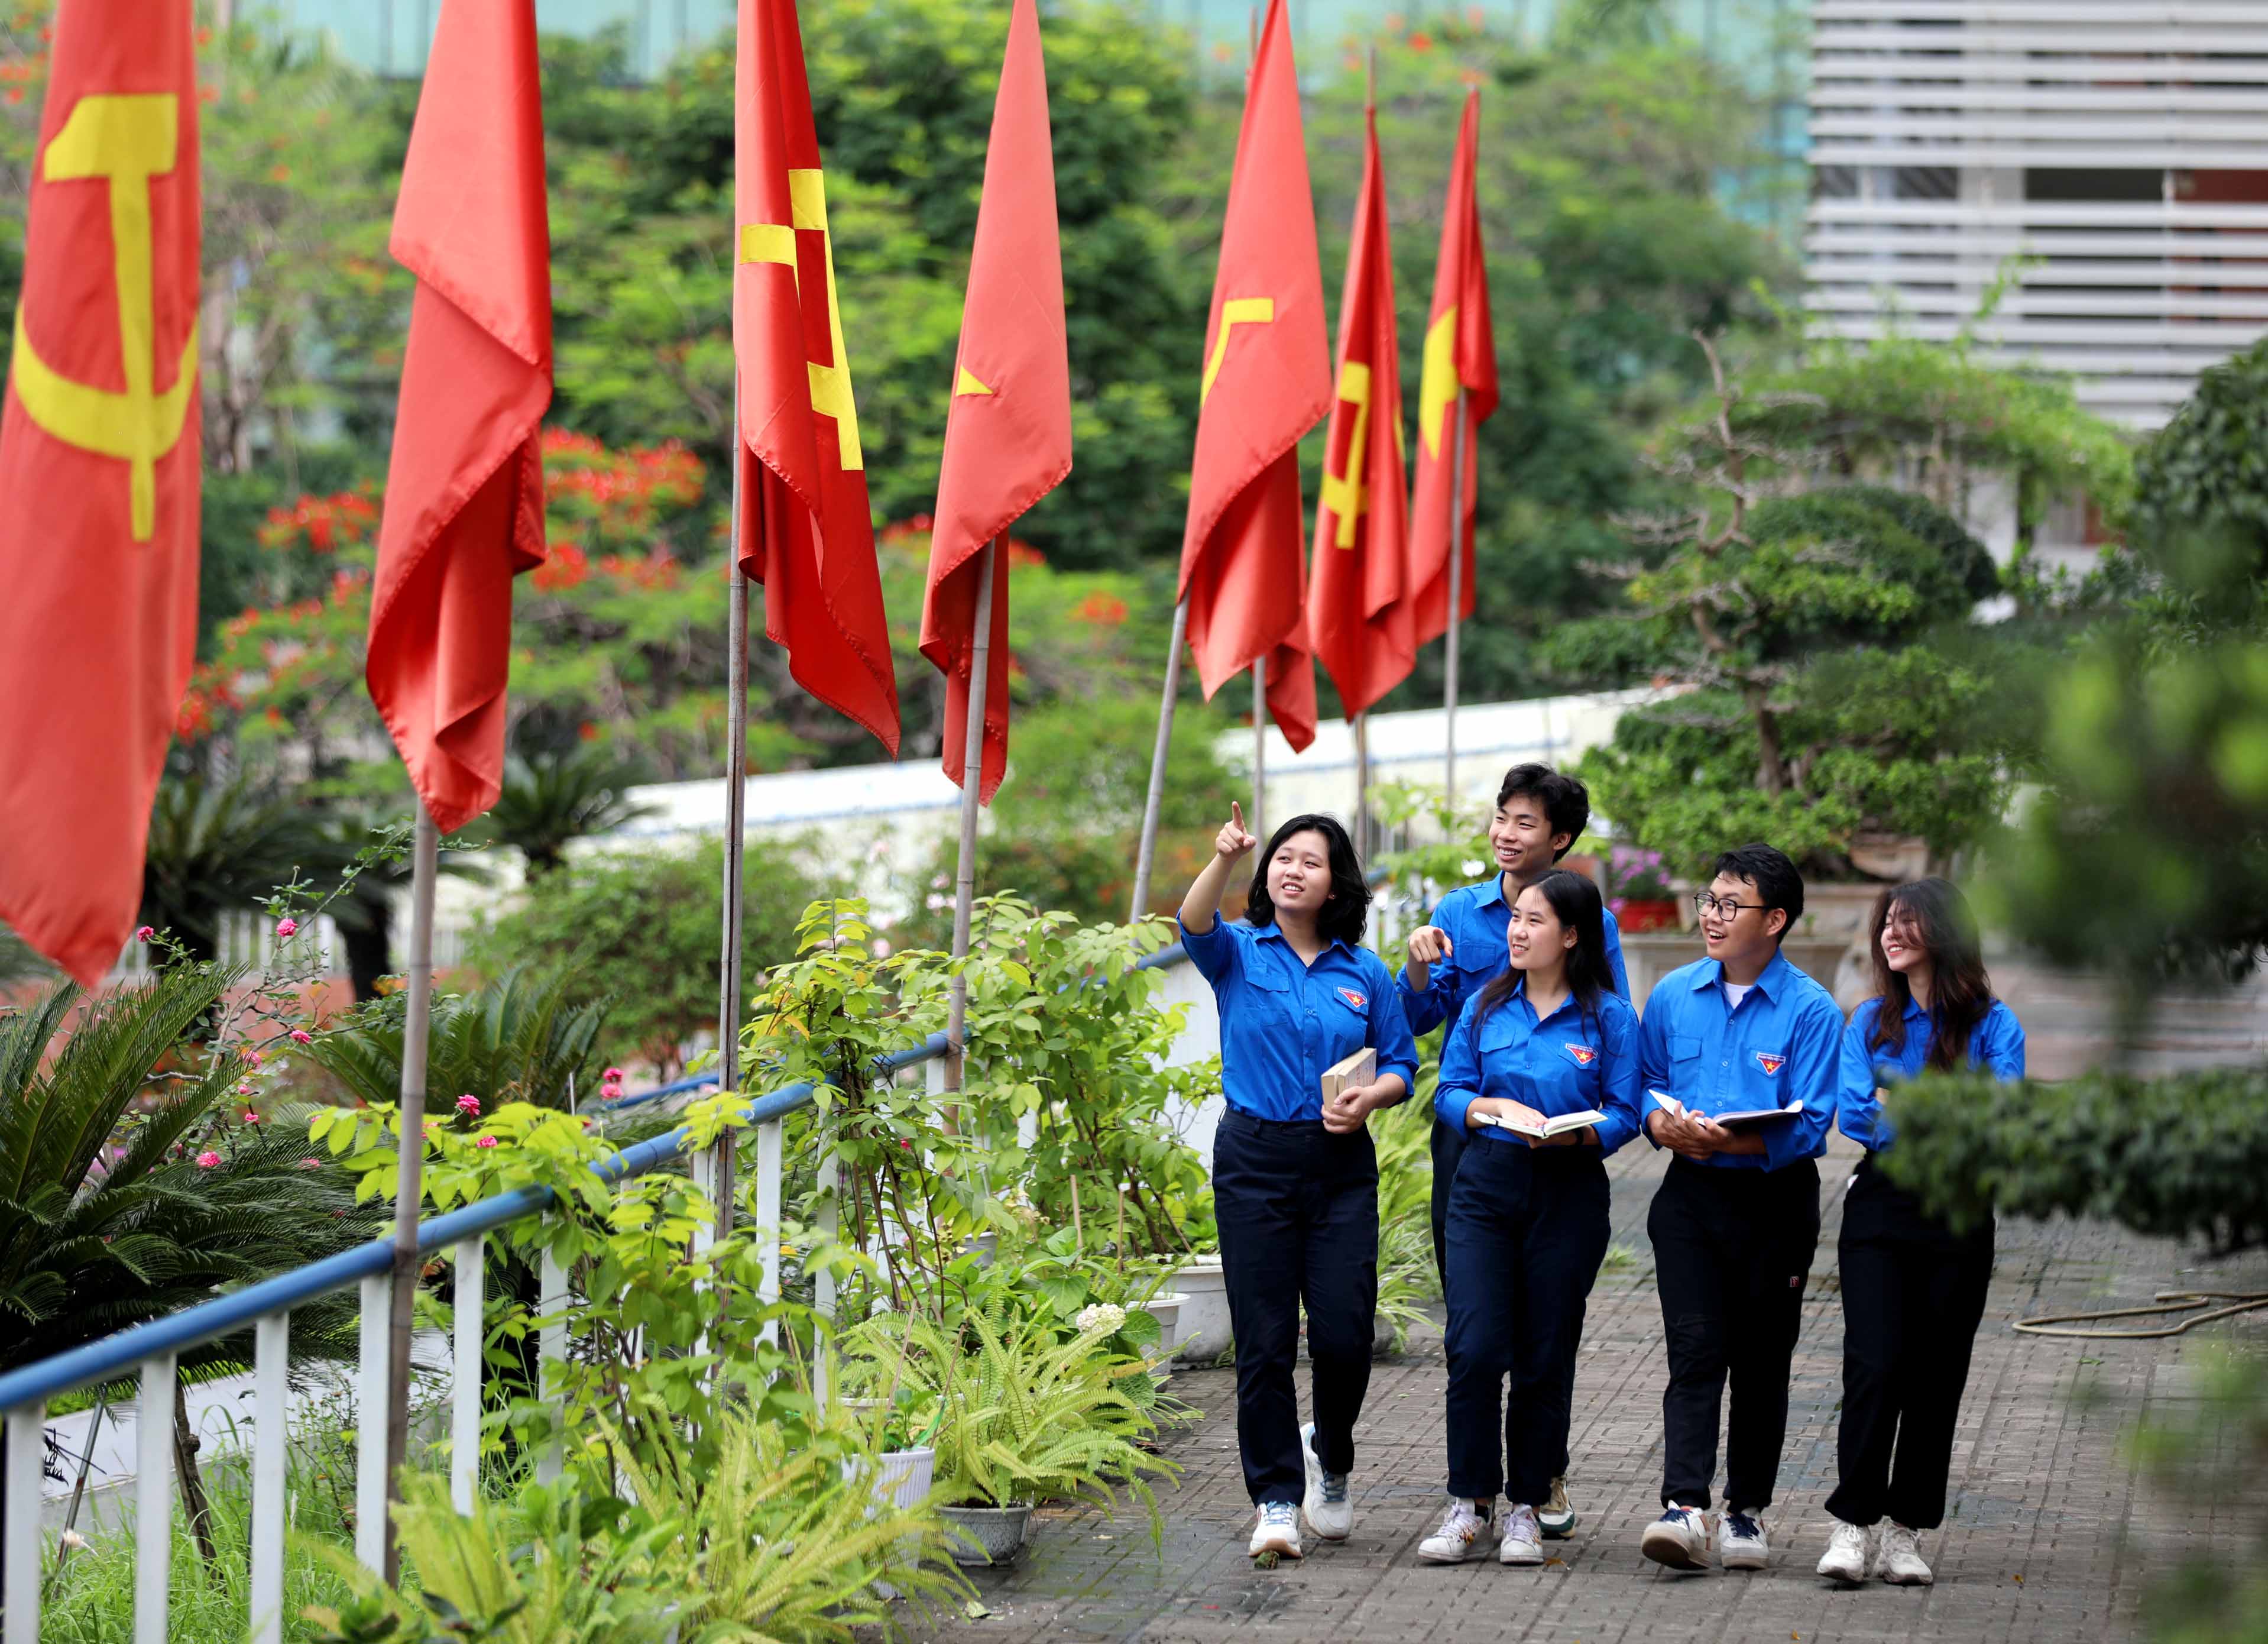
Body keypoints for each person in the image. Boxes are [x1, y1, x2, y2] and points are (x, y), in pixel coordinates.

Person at [1180, 803, 1419, 1561]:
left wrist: (1371, 1096)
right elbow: (1189, 923)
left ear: (1334, 883)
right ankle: (1276, 1499)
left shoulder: (1365, 971)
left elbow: (1402, 1063)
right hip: (1253, 1158)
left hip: (1340, 1162)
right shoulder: (1238, 953)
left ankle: (1332, 1458)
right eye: (1283, 856)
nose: (1292, 868)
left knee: (1346, 1334)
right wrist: (1221, 856)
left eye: (1310, 861)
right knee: (1265, 1339)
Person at [1397, 762, 1629, 1538]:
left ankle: (1539, 1482)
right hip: (1475, 1157)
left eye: (1526, 822)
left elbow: (1613, 1028)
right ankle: (1474, 1497)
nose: (1505, 832)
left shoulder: (1591, 930)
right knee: (1476, 1328)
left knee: (1546, 1332)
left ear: (1559, 841)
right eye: (1501, 816)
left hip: (1563, 1161)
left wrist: (1586, 1124)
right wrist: (1422, 968)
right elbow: (1424, 1023)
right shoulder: (1458, 915)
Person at [1635, 844, 1843, 1573]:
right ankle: (1682, 1505)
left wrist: (1736, 1137)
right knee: (1694, 1352)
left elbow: (1814, 1119)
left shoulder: (1811, 1010)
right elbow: (1648, 1080)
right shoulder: (1671, 993)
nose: (1711, 916)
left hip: (1773, 1204)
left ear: (1775, 919)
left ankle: (1745, 1510)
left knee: (1760, 1363)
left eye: (1730, 904)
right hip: (1688, 1199)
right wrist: (1659, 1124)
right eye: (1708, 900)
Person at [1816, 878, 2023, 1588]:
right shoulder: (1869, 1021)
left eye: (1906, 922)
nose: (1890, 934)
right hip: (1878, 1209)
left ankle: (1905, 1532)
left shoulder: (1995, 1026)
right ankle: (1852, 1523)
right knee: (1872, 1365)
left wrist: (1902, 1104)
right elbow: (1853, 1115)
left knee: (1935, 1377)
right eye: (1885, 923)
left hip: (1960, 1213)